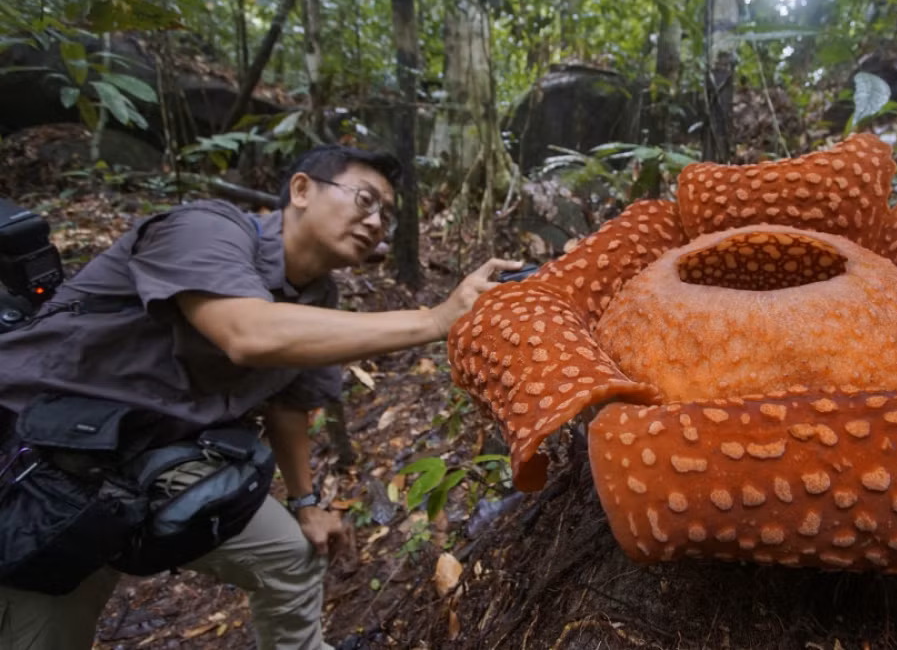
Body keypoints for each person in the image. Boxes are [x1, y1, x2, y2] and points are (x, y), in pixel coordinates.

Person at [0, 144, 523, 650]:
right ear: (300, 189)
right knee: (55, 607)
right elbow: (248, 333)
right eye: (365, 200)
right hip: (40, 466)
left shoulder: (320, 298)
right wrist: (434, 319)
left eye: (386, 215)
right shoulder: (205, 228)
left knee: (291, 555)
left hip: (146, 467)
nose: (375, 222)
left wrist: (307, 503)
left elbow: (289, 405)